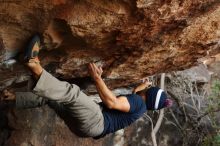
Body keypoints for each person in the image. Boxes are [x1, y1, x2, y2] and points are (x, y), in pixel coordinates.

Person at [1, 35, 173, 139]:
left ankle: (32, 63)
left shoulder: (138, 102)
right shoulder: (140, 106)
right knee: (54, 98)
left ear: (148, 94)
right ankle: (13, 98)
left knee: (72, 94)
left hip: (97, 121)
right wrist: (141, 87)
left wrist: (97, 78)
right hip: (87, 129)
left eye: (148, 90)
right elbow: (133, 97)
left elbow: (113, 102)